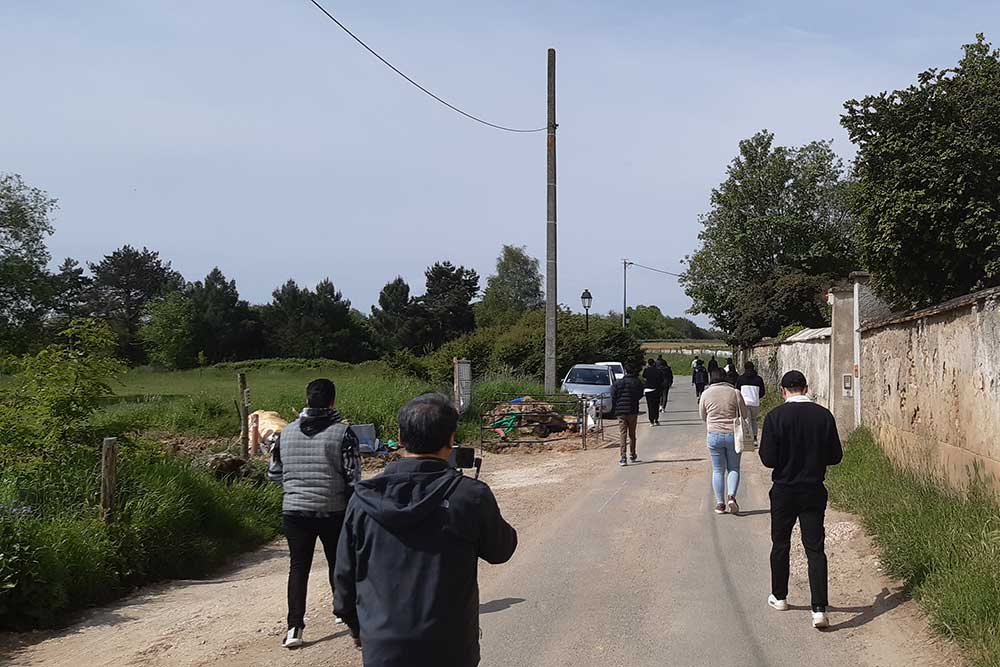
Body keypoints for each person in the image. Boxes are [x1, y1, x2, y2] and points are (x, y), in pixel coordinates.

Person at [334, 394, 517, 666]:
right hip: (449, 645)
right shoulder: (469, 495)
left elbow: (345, 575)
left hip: (383, 644)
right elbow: (501, 550)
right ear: (451, 439)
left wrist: (356, 626)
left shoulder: (362, 499)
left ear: (400, 436)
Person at [268, 378, 360, 649]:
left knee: (298, 568)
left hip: (295, 511)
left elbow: (273, 473)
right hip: (332, 510)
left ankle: (294, 627)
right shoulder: (343, 434)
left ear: (307, 399)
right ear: (332, 401)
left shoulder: (285, 433)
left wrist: (296, 485)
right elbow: (353, 477)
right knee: (338, 562)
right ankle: (342, 612)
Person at [759, 370, 843, 630]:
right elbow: (835, 456)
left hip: (784, 489)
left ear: (784, 390)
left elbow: (768, 459)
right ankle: (819, 608)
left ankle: (780, 596)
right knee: (815, 549)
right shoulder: (824, 415)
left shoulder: (774, 417)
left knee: (780, 543)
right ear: (806, 388)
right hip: (813, 488)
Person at [698, 368, 749, 515]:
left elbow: (702, 415)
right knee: (734, 468)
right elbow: (744, 414)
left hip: (714, 435)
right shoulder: (734, 392)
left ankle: (720, 504)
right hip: (733, 434)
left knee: (718, 470)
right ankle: (731, 496)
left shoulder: (706, 393)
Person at [611, 362, 643, 465]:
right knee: (632, 434)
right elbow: (640, 394)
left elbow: (613, 395)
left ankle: (623, 457)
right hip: (633, 410)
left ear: (625, 371)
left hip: (621, 411)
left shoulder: (618, 383)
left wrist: (617, 405)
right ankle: (632, 454)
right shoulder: (637, 382)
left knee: (623, 434)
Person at [736, 361, 767, 440]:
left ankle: (747, 438)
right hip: (755, 403)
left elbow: (737, 392)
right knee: (753, 420)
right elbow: (762, 392)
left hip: (744, 403)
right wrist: (756, 397)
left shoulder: (740, 379)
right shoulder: (759, 379)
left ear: (744, 368)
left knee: (746, 421)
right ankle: (755, 438)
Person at [642, 358, 664, 426]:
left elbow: (643, 376)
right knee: (656, 405)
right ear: (654, 363)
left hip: (648, 390)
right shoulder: (658, 371)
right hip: (656, 390)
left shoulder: (646, 370)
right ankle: (656, 420)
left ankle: (651, 421)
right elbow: (661, 380)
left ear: (648, 364)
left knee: (650, 406)